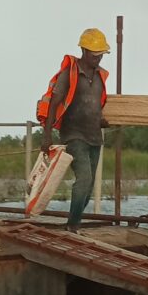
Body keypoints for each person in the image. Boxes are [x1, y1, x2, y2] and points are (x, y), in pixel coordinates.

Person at [39, 28, 111, 232]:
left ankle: (75, 221)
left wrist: (101, 121)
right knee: (84, 178)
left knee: (88, 187)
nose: (98, 59)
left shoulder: (99, 78)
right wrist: (47, 135)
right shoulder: (69, 74)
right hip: (74, 135)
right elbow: (53, 104)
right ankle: (73, 225)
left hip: (95, 137)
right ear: (84, 51)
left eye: (101, 55)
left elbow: (93, 105)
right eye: (95, 55)